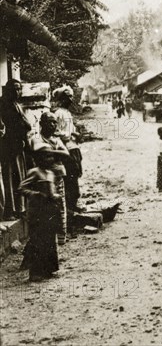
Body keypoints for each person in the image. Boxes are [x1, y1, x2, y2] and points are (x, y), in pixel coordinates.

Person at [19, 150, 63, 282]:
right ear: (39, 159)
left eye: (51, 157)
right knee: (38, 241)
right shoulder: (34, 172)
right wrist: (35, 194)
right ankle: (35, 272)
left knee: (49, 240)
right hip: (37, 212)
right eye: (46, 157)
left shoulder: (50, 173)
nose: (49, 159)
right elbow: (22, 188)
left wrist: (56, 196)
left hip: (49, 211)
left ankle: (48, 269)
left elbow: (52, 191)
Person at [31, 112, 69, 245]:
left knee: (61, 207)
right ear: (42, 124)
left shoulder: (56, 140)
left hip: (58, 178)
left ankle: (60, 238)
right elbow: (40, 155)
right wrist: (56, 153)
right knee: (46, 210)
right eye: (50, 122)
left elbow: (66, 154)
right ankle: (48, 240)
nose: (53, 125)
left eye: (54, 122)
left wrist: (50, 152)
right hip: (44, 180)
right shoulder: (36, 138)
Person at [0, 79, 32, 220]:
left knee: (20, 177)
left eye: (19, 89)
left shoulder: (16, 104)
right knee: (9, 178)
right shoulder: (2, 104)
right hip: (7, 147)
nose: (17, 92)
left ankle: (20, 208)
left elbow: (25, 124)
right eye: (15, 89)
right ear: (7, 90)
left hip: (18, 147)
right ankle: (10, 210)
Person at [53, 87, 83, 218]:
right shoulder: (58, 114)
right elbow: (55, 131)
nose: (70, 100)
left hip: (73, 147)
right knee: (70, 177)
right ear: (61, 99)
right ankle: (70, 207)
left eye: (71, 97)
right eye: (67, 97)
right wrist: (70, 134)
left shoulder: (67, 113)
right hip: (65, 148)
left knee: (75, 174)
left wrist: (75, 134)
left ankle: (74, 203)